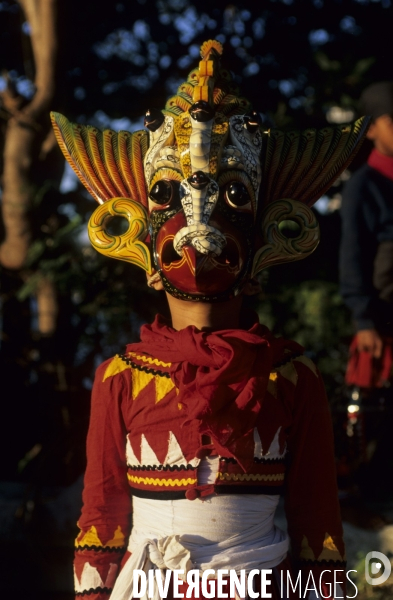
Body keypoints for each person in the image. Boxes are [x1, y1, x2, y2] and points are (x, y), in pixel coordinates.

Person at [52, 40, 369, 600]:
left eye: (234, 196)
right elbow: (102, 517)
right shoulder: (120, 378)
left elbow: (318, 525)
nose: (197, 222)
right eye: (166, 195)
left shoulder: (292, 377)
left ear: (266, 231)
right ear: (141, 234)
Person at [339, 81, 393, 501]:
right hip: (382, 322)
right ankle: (368, 500)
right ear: (373, 128)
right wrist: (363, 318)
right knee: (376, 420)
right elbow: (354, 256)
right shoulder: (363, 185)